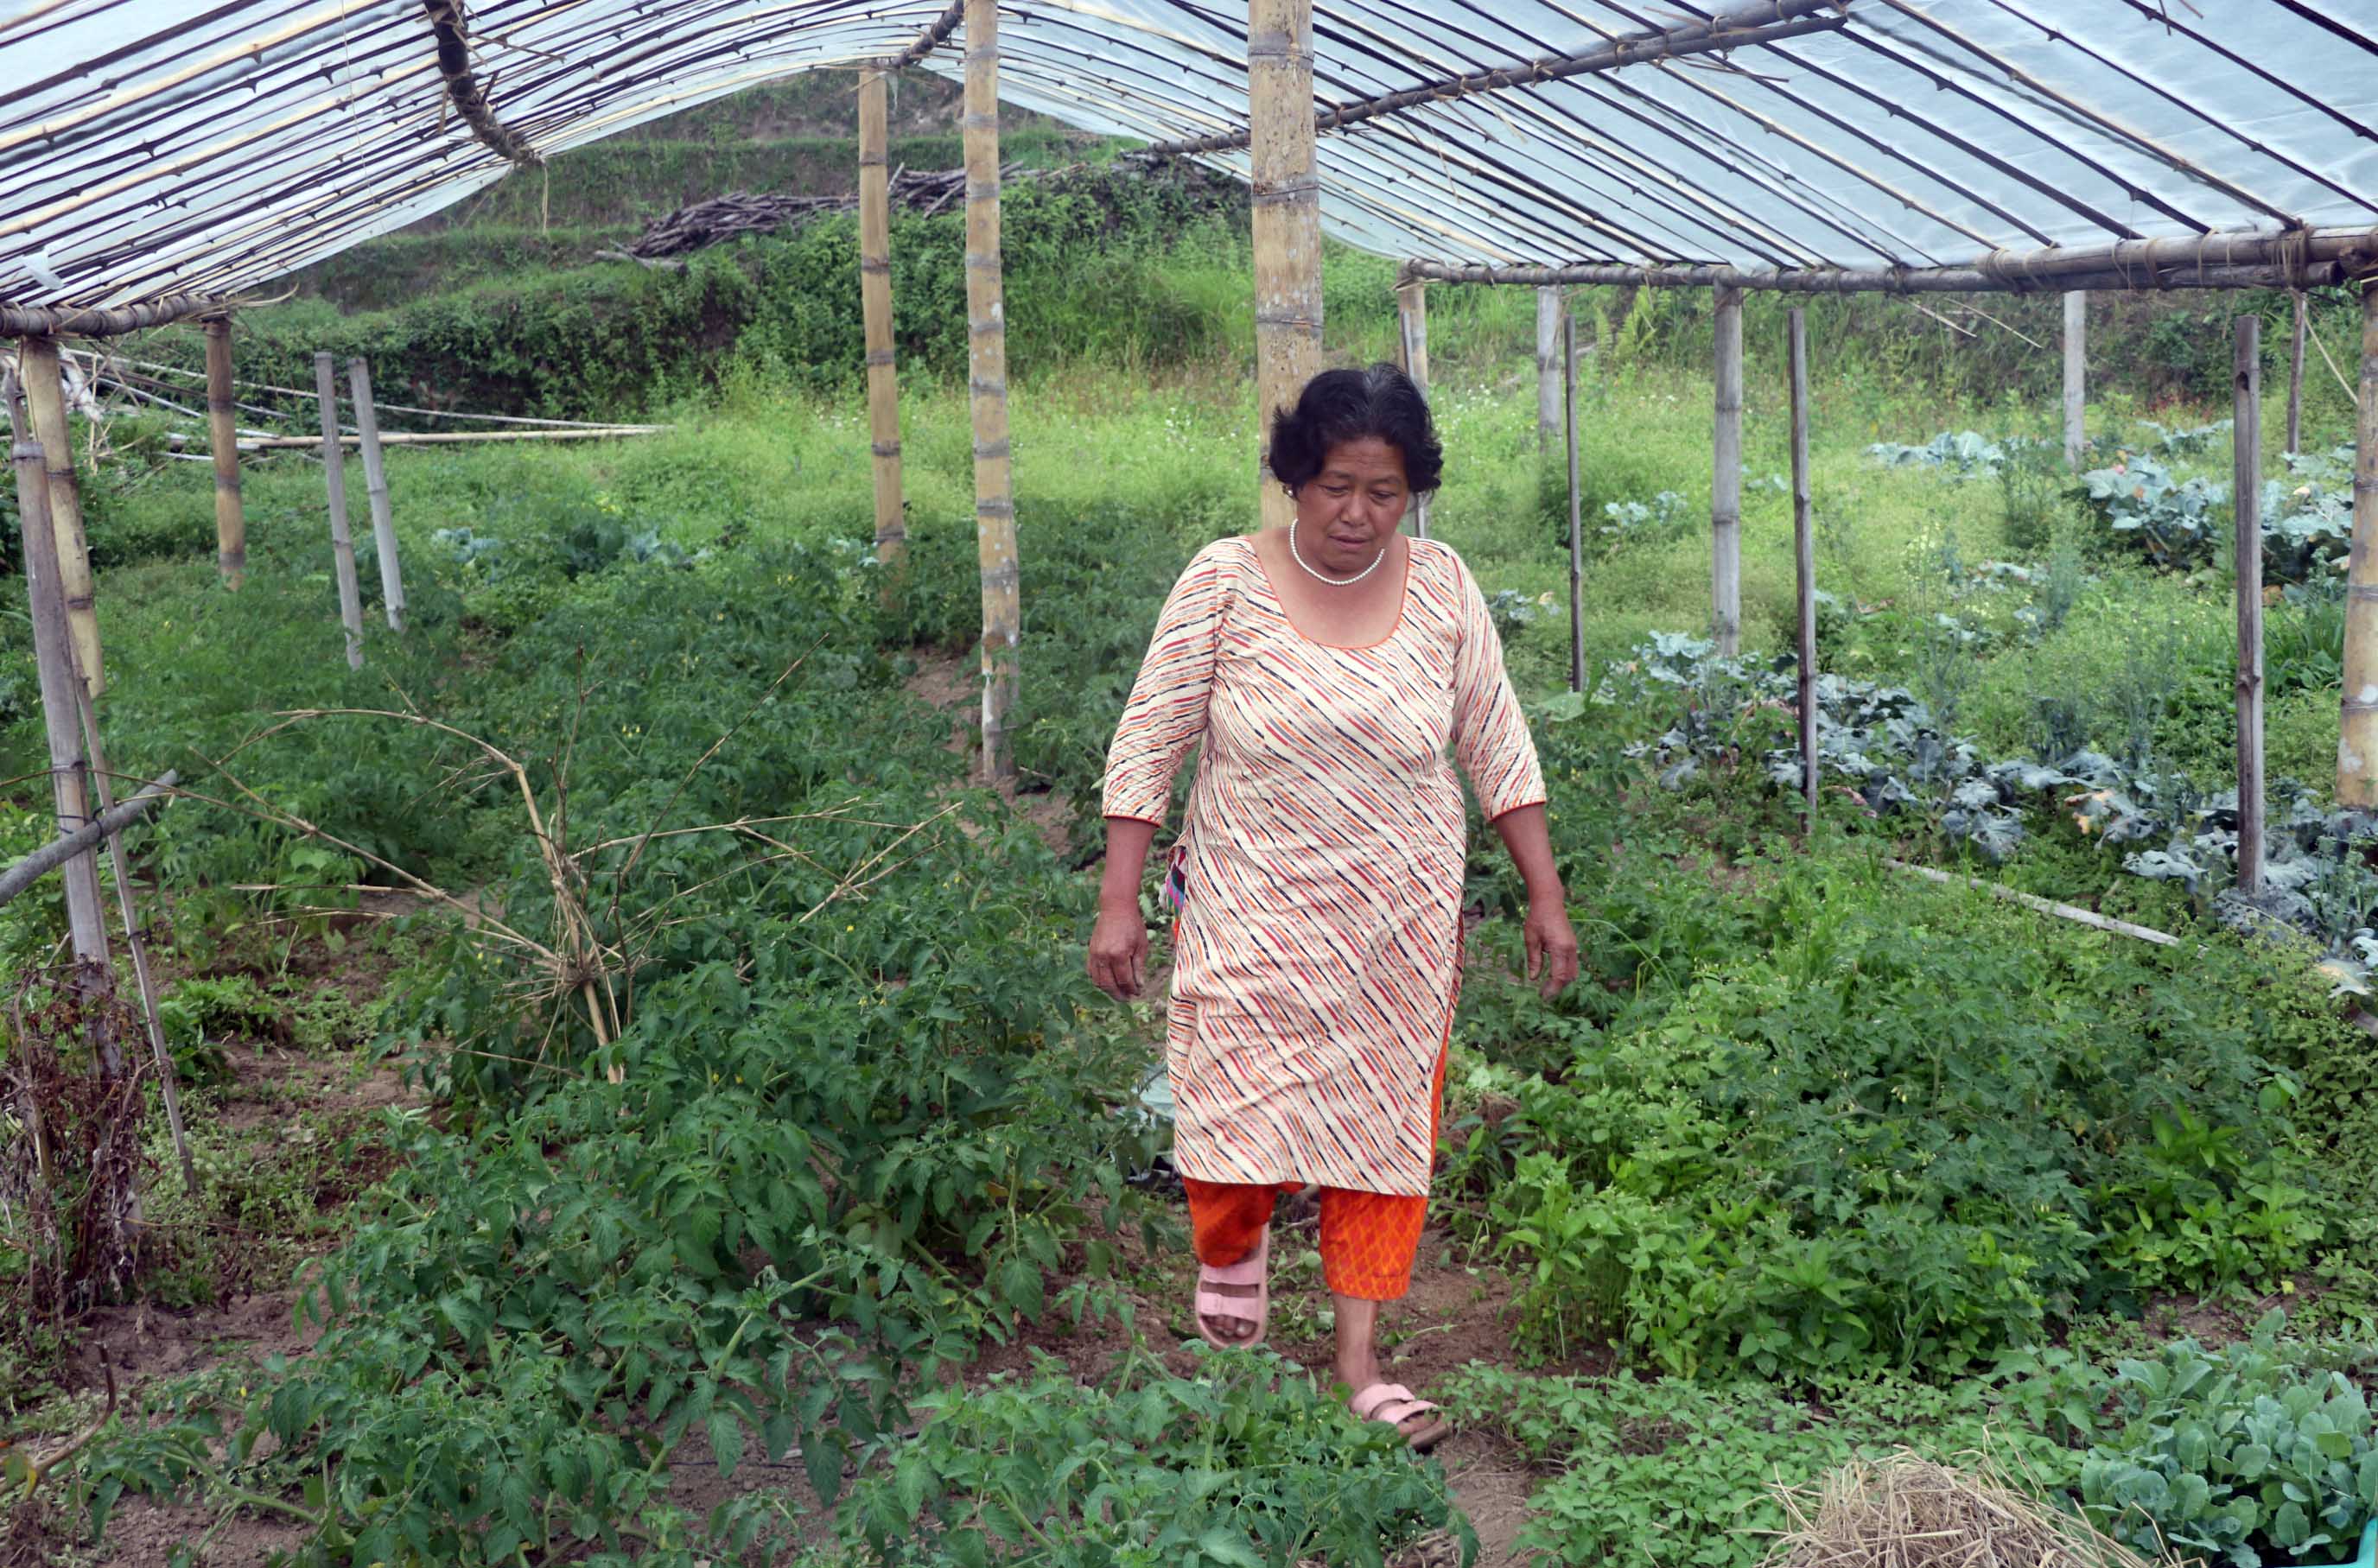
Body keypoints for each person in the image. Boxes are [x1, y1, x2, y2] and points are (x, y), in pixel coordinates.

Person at [1089, 363, 1579, 1450]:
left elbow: (1497, 744)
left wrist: (1545, 896)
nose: (1358, 513)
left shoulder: (1444, 588)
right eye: (1335, 487)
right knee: (1228, 1107)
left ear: (1413, 494)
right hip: (1249, 906)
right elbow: (1150, 739)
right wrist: (1119, 901)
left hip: (1396, 923)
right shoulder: (1222, 582)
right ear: (1294, 480)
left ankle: (1359, 1364)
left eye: (1385, 492)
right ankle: (1232, 1268)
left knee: (1380, 1129)